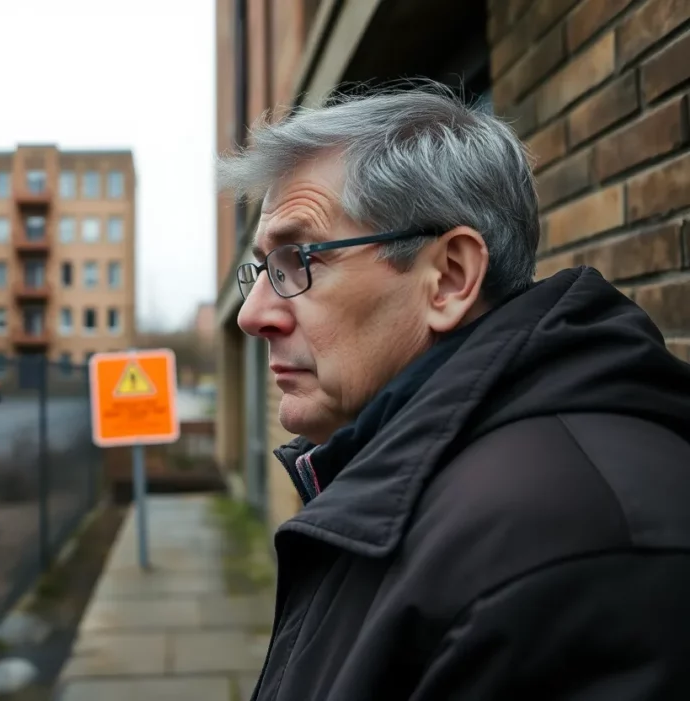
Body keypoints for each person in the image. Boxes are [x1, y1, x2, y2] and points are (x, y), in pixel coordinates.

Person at [217, 83, 690, 701]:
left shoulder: (565, 545)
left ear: (449, 277)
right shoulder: (425, 489)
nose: (254, 315)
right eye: (262, 269)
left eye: (299, 259)